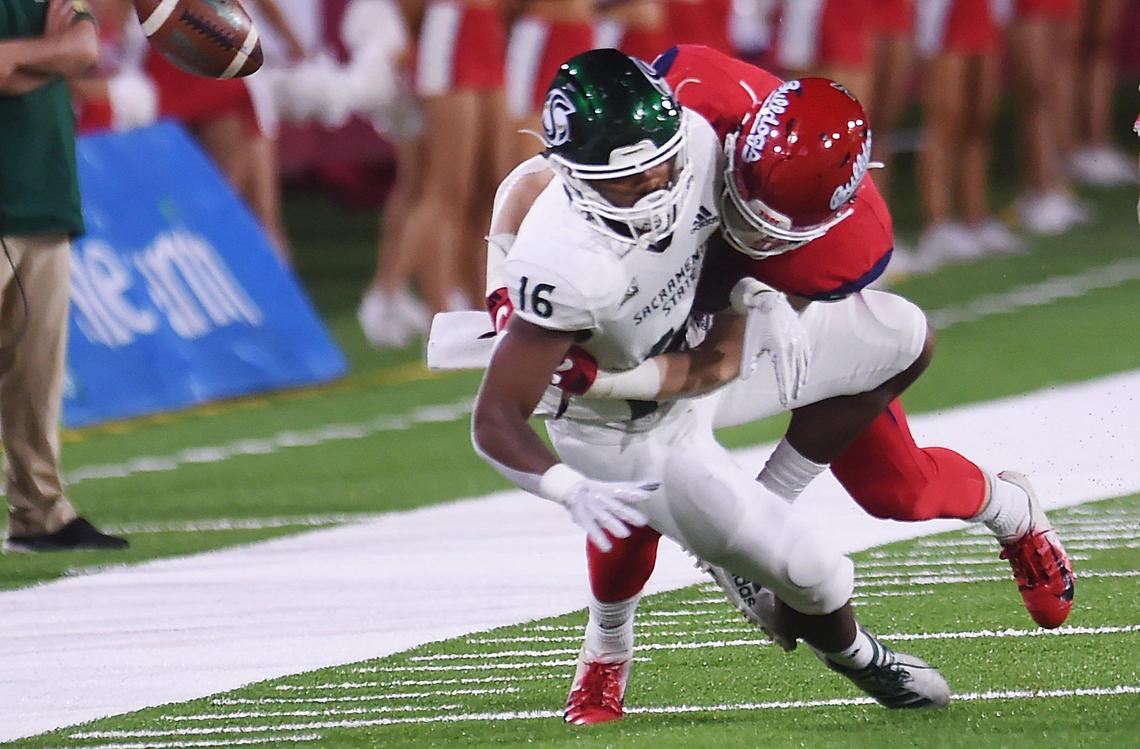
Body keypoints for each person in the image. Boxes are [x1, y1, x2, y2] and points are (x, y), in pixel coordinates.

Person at [474, 45, 1073, 723]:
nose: (753, 228)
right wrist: (510, 300)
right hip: (658, 349)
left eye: (779, 231)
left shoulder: (848, 242)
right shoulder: (689, 124)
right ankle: (607, 649)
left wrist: (764, 295)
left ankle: (1013, 512)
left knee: (897, 482)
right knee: (633, 483)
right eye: (746, 204)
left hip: (732, 337)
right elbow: (533, 183)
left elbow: (726, 356)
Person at [0, 0, 127, 552]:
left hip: (45, 191)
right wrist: (49, 58)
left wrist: (20, 57)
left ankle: (40, 512)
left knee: (36, 378)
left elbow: (84, 48)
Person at [914, 0, 1021, 267]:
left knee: (978, 121)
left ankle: (976, 219)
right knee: (944, 119)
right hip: (944, 17)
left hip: (982, 12)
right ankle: (938, 225)